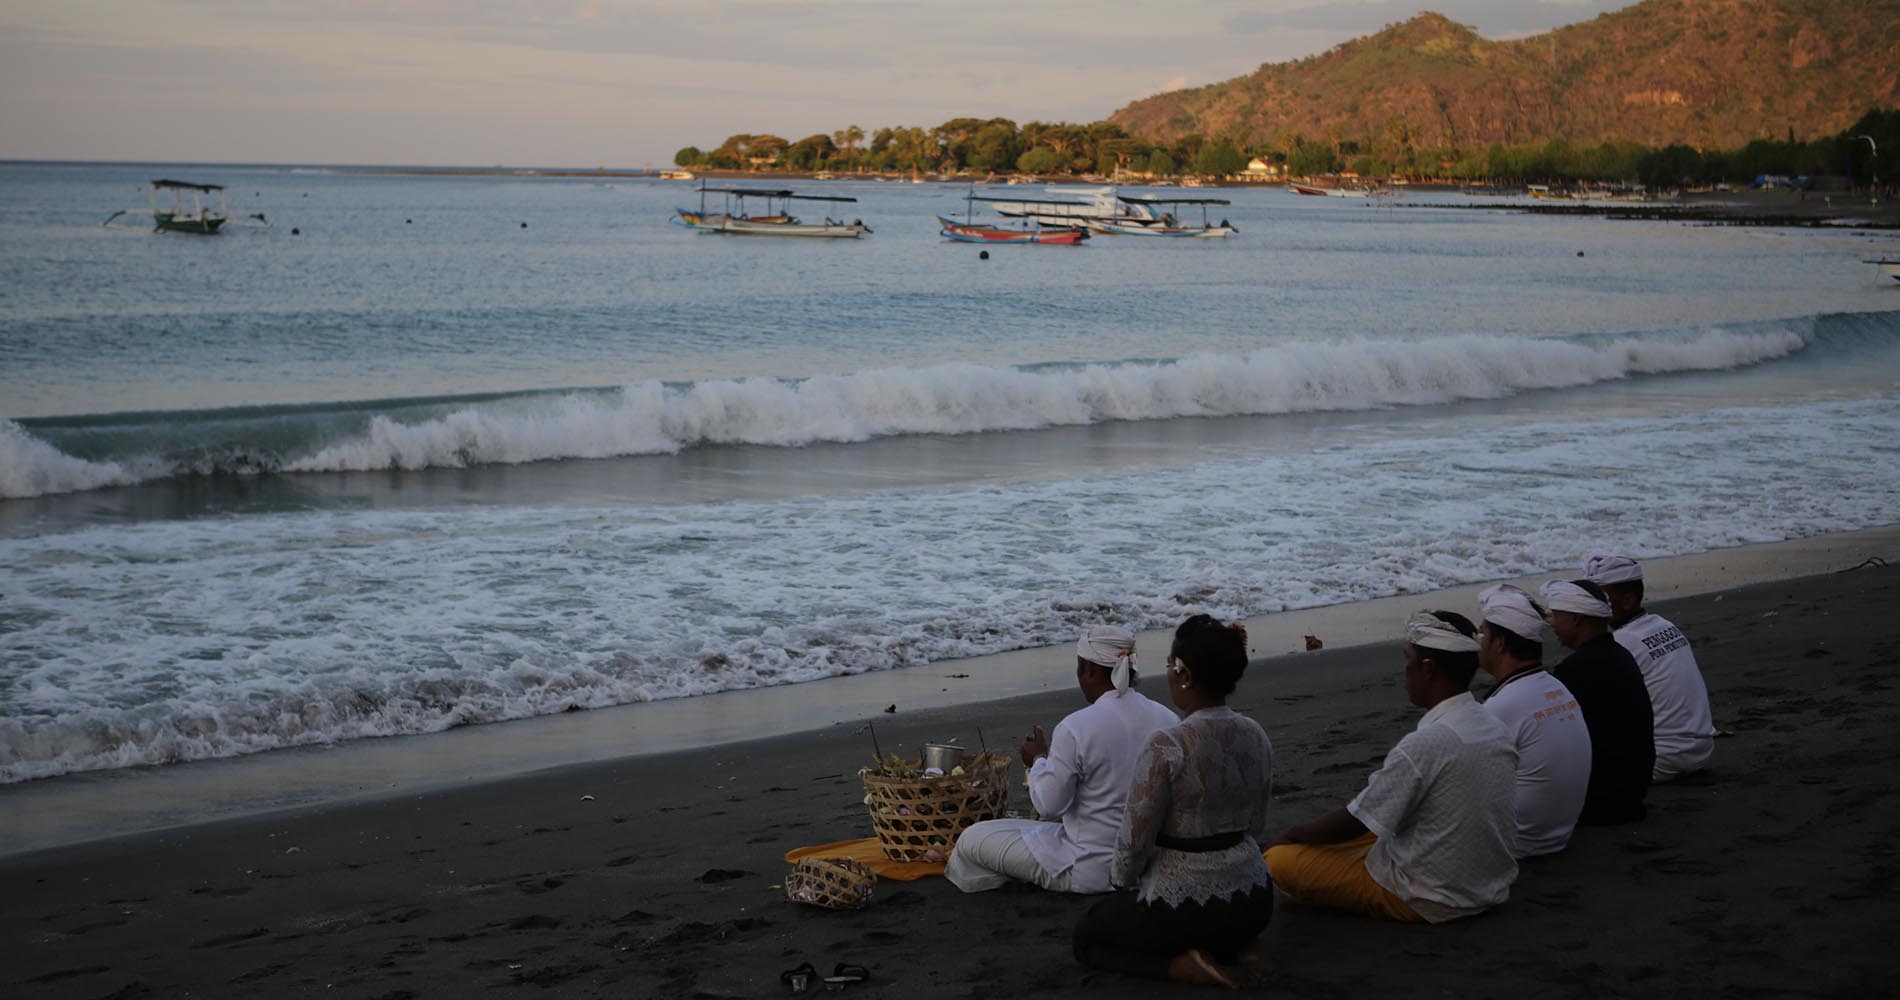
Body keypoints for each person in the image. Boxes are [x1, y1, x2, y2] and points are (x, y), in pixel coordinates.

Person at [1266, 610, 1517, 923]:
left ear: (1427, 669)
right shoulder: (1492, 724)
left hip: (1430, 895)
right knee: (1370, 810)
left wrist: (1293, 834)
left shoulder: (1426, 743)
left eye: (1407, 659)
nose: (1404, 669)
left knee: (1279, 860)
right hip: (1488, 883)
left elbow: (1357, 823)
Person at [1072, 615, 1272, 988]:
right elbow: (1256, 825)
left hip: (1185, 911)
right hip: (1256, 899)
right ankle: (1239, 946)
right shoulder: (1256, 734)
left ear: (1184, 675)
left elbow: (1133, 845)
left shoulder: (1168, 746)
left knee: (1087, 937)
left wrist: (1122, 884)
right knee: (1219, 919)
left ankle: (1183, 968)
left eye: (1169, 665)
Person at [946, 625, 1177, 894]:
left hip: (1088, 869)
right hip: (1149, 864)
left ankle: (1002, 885)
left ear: (1089, 669)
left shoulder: (1077, 727)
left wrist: (1038, 761)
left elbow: (1049, 807)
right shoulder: (1167, 719)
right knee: (1007, 829)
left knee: (971, 839)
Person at [1474, 587, 1592, 857]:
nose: (1478, 641)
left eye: (1483, 633)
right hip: (1557, 833)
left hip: (1520, 842)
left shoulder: (1503, 705)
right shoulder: (1556, 688)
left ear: (1500, 643)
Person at [1583, 555, 1716, 780]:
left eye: (1600, 599)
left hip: (1662, 758)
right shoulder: (1665, 624)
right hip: (1702, 749)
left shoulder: (1620, 643)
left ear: (1627, 601)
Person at [1544, 579, 1654, 824]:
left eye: (1557, 616)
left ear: (1576, 619)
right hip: (1633, 790)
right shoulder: (1620, 653)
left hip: (1603, 800)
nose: (1552, 625)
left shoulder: (1576, 670)